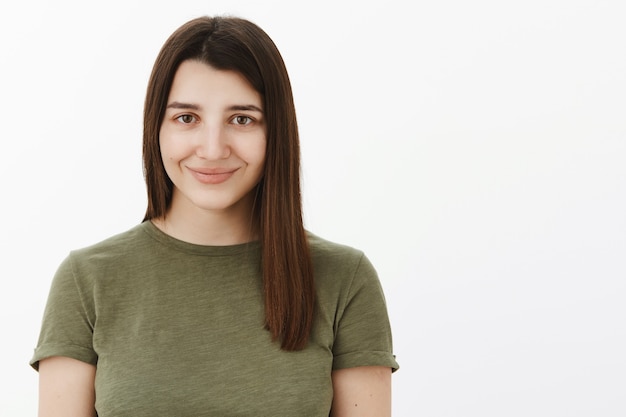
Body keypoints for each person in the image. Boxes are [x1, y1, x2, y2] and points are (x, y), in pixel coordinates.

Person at [30, 15, 399, 417]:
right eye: (187, 118)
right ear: (157, 128)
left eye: (241, 119)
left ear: (276, 131)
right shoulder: (88, 281)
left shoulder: (344, 279)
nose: (212, 148)